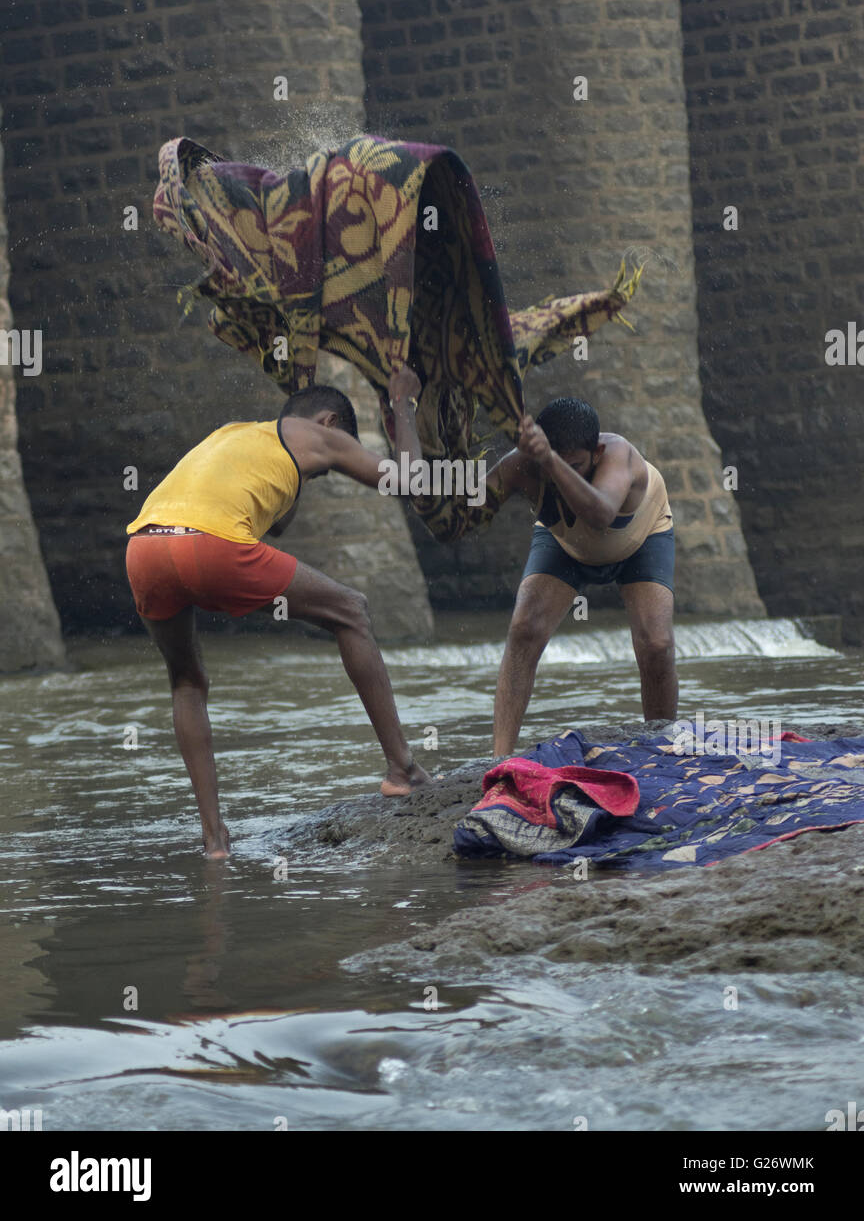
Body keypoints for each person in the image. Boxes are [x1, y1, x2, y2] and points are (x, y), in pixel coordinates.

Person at [125, 366, 430, 859]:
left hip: (144, 548)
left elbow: (277, 522)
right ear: (328, 423)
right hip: (210, 546)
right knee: (351, 611)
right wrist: (402, 405)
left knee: (186, 681)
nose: (321, 468)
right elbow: (415, 483)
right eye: (327, 463)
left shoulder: (234, 435)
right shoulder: (318, 434)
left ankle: (214, 841)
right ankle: (403, 770)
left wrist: (300, 473)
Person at [486, 397, 678, 758]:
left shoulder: (618, 453)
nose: (562, 476)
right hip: (566, 542)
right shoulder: (521, 464)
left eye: (575, 465)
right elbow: (468, 504)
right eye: (551, 464)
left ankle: (662, 745)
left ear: (597, 451)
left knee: (657, 644)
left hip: (642, 537)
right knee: (524, 629)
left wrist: (550, 460)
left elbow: (600, 513)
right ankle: (499, 756)